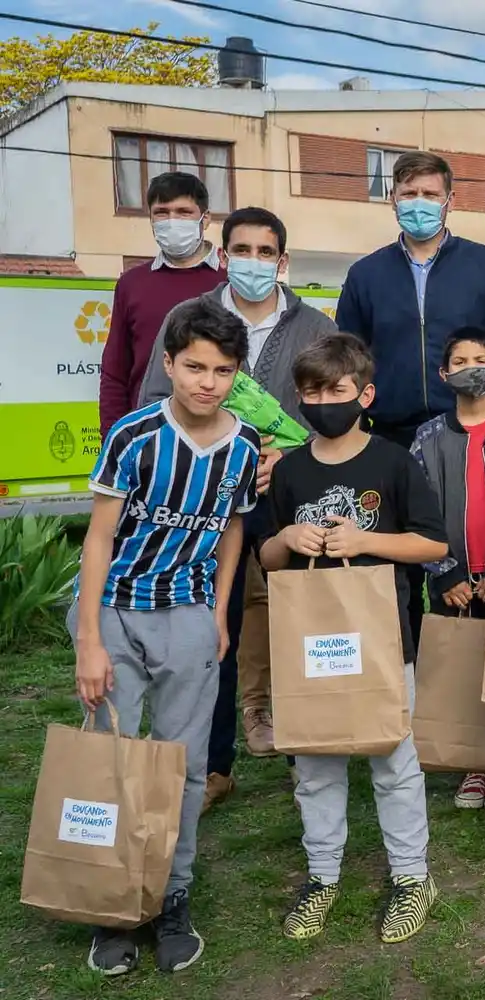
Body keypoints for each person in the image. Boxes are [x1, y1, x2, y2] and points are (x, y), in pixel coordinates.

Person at [71, 299, 260, 976]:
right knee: (114, 763)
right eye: (195, 367)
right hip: (118, 611)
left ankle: (170, 895)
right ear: (170, 365)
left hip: (188, 613)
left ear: (237, 373)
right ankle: (112, 904)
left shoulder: (243, 445)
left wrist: (216, 610)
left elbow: (234, 525)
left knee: (182, 768)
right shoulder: (134, 435)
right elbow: (98, 538)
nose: (208, 382)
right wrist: (89, 639)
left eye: (223, 370)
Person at [139, 206, 338, 806]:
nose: (253, 261)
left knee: (305, 616)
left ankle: (313, 746)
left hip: (289, 493)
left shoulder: (316, 324)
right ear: (223, 254)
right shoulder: (188, 317)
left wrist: (287, 455)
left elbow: (330, 406)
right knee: (211, 625)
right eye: (241, 249)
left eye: (265, 251)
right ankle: (212, 764)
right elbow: (156, 399)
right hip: (207, 498)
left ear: (282, 261)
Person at [260, 335, 446, 944]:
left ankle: (414, 878)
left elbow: (433, 544)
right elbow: (266, 557)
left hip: (384, 641)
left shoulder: (393, 462)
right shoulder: (289, 471)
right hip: (310, 645)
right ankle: (322, 877)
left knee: (394, 761)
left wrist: (364, 542)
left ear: (365, 395)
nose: (322, 401)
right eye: (311, 391)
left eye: (335, 391)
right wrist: (288, 538)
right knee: (314, 763)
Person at [335, 150, 485, 652]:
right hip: (392, 438)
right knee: (398, 571)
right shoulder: (366, 274)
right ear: (392, 199)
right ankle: (406, 688)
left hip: (475, 435)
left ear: (450, 200)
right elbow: (349, 358)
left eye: (430, 194)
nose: (419, 204)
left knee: (482, 564)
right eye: (409, 194)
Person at [410, 329, 485, 813]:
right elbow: (418, 510)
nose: (470, 366)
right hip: (452, 578)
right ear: (444, 374)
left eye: (481, 358)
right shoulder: (428, 438)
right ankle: (473, 759)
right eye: (459, 360)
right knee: (462, 664)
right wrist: (444, 571)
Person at [100, 171, 226, 438]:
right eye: (162, 212)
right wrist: (114, 438)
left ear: (206, 219)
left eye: (183, 212)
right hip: (149, 434)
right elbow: (115, 371)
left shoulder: (230, 280)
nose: (172, 221)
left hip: (222, 434)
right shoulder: (131, 284)